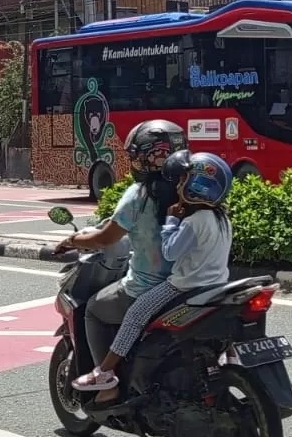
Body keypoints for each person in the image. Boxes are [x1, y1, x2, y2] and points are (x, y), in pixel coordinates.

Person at [72, 151, 234, 400]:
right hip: (216, 286)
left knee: (135, 314)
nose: (177, 184)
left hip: (183, 286)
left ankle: (105, 373)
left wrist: (171, 221)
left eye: (183, 181)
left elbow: (169, 252)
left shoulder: (188, 219)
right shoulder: (221, 218)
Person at [55, 120, 186, 370]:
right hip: (195, 284)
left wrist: (71, 240)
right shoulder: (193, 189)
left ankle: (106, 381)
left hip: (148, 287)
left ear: (143, 158)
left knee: (93, 309)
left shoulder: (139, 194)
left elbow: (105, 238)